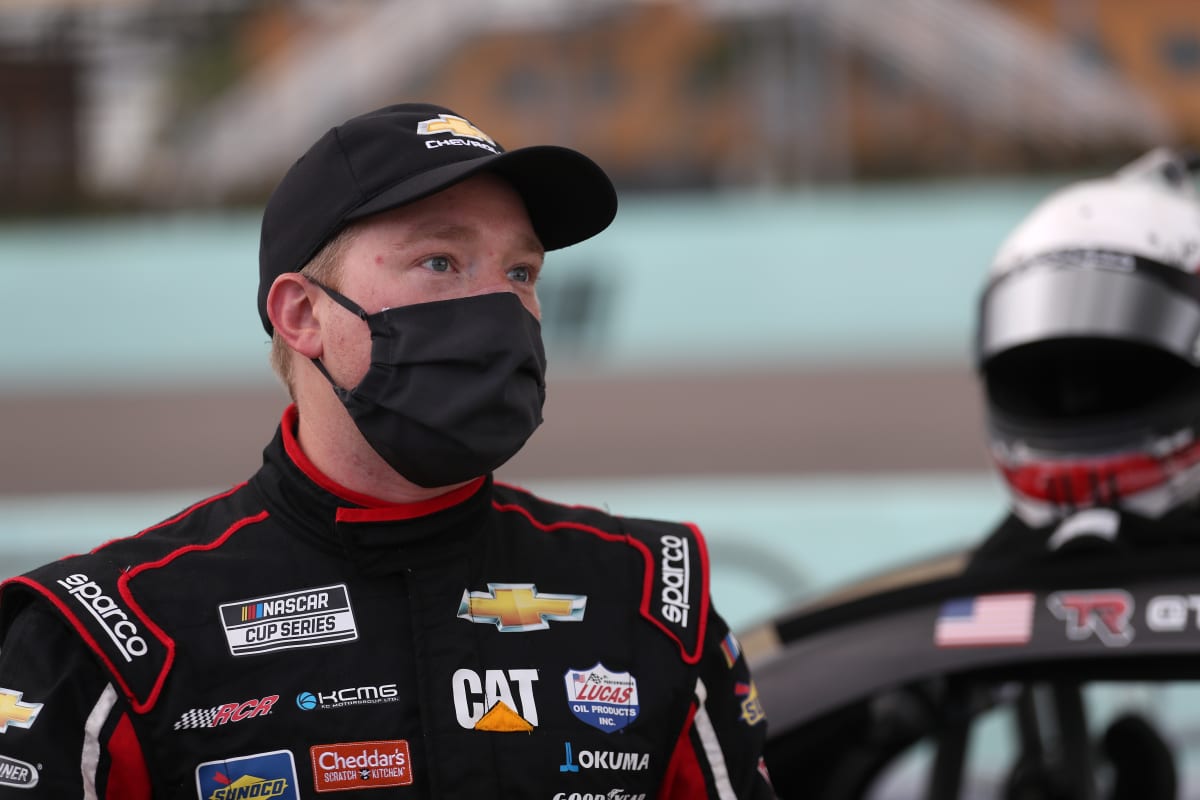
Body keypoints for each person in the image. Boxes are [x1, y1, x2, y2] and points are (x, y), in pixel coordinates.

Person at [0, 104, 776, 799]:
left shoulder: (651, 599)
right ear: (302, 314)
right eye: (440, 262)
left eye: (521, 271)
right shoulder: (107, 634)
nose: (501, 308)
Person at [967, 145, 1200, 569]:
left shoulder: (971, 599)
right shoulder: (988, 579)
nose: (1080, 393)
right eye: (1044, 370)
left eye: (1124, 369)